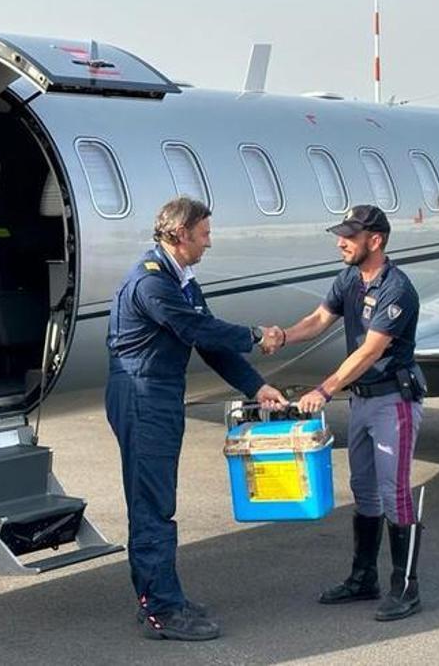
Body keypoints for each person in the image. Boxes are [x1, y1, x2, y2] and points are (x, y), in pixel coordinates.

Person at [106, 197, 286, 641]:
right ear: (180, 234)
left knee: (159, 500)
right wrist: (256, 335)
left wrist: (256, 387)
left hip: (160, 393)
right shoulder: (152, 284)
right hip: (142, 393)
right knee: (153, 505)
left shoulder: (180, 280)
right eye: (204, 234)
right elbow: (198, 330)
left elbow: (210, 343)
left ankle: (162, 595)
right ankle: (161, 611)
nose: (209, 242)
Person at [268, 204, 427, 621]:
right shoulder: (349, 279)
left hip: (394, 401)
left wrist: (324, 389)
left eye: (349, 236)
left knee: (394, 492)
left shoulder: (398, 289)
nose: (341, 242)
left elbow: (371, 349)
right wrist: (282, 336)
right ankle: (363, 578)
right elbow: (320, 318)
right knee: (364, 489)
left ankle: (405, 587)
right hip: (361, 400)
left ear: (374, 241)